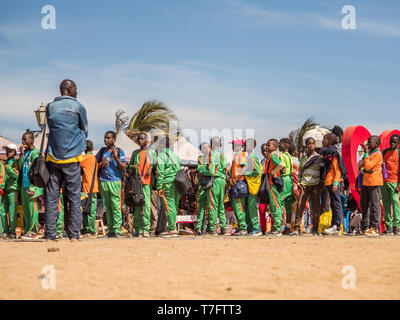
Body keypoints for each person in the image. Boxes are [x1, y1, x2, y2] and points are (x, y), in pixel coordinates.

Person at [44, 79, 88, 242]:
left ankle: (50, 234)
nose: (77, 92)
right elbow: (85, 129)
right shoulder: (78, 106)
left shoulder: (50, 107)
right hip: (72, 157)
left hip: (53, 157)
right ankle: (74, 234)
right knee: (74, 197)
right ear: (69, 89)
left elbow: (51, 127)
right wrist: (78, 144)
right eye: (76, 89)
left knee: (52, 197)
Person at [96, 131, 127, 238]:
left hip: (115, 181)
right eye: (105, 138)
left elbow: (123, 167)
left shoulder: (119, 151)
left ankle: (117, 230)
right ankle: (111, 230)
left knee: (115, 206)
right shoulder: (102, 151)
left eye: (108, 138)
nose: (106, 140)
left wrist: (115, 157)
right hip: (103, 182)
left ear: (114, 140)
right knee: (107, 207)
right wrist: (101, 164)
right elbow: (95, 165)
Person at [290, 137, 323, 236]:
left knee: (316, 208)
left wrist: (321, 184)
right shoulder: (303, 159)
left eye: (312, 144)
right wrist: (299, 183)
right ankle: (297, 229)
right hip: (304, 185)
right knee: (300, 206)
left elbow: (322, 172)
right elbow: (300, 172)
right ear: (306, 145)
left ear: (315, 145)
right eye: (308, 144)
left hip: (315, 185)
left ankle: (315, 229)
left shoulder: (318, 158)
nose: (310, 145)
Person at [128, 132, 157, 238]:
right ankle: (137, 229)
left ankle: (145, 229)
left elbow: (155, 164)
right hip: (136, 183)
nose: (139, 141)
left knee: (146, 206)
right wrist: (132, 167)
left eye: (141, 139)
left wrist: (150, 168)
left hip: (146, 183)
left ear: (146, 140)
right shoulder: (135, 153)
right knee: (137, 206)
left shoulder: (152, 153)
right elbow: (129, 165)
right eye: (138, 139)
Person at [19, 132, 43, 239]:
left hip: (32, 186)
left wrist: (34, 187)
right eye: (22, 139)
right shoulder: (26, 153)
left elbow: (37, 171)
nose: (23, 141)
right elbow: (20, 167)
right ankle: (28, 230)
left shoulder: (35, 153)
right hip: (24, 186)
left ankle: (34, 230)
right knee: (26, 210)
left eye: (25, 139)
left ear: (31, 140)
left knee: (32, 208)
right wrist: (21, 155)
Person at [156, 136, 181, 237]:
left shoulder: (162, 156)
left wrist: (158, 187)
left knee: (168, 205)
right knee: (174, 205)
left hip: (166, 183)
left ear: (162, 145)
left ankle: (171, 228)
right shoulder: (176, 157)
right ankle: (172, 226)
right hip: (177, 183)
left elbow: (160, 173)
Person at [359, 135, 384, 237]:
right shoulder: (369, 154)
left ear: (377, 144)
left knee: (375, 204)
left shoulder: (377, 154)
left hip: (374, 181)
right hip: (366, 182)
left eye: (370, 142)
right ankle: (365, 226)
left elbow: (368, 165)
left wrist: (366, 158)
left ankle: (375, 227)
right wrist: (365, 170)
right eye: (368, 142)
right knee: (364, 205)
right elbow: (361, 168)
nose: (368, 144)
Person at [203, 137, 228, 235]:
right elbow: (226, 169)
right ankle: (224, 228)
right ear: (220, 145)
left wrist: (202, 171)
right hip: (222, 180)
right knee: (221, 205)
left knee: (212, 204)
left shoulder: (213, 155)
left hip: (214, 180)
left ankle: (212, 229)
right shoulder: (223, 155)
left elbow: (211, 171)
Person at [321, 133, 344, 236]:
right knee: (333, 205)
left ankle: (337, 226)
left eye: (324, 139)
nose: (322, 141)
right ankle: (333, 225)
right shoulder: (327, 152)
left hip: (333, 182)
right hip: (329, 182)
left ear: (329, 141)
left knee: (336, 204)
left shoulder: (333, 152)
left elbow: (337, 170)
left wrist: (335, 183)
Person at [264, 139, 285, 236]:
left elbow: (281, 165)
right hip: (271, 183)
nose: (267, 147)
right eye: (267, 145)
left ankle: (276, 228)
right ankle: (275, 227)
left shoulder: (273, 156)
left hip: (272, 183)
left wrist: (273, 172)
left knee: (275, 205)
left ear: (275, 147)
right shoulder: (271, 156)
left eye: (269, 145)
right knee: (274, 205)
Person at [381, 134, 400, 235]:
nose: (392, 143)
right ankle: (388, 226)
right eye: (391, 141)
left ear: (398, 143)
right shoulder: (384, 152)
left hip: (395, 182)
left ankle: (396, 226)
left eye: (394, 142)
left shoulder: (398, 153)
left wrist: (398, 185)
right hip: (384, 183)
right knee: (386, 205)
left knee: (396, 204)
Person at [229, 138, 248, 236]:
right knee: (237, 207)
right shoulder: (237, 154)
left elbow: (244, 168)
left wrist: (236, 179)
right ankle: (241, 227)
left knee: (239, 206)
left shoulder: (241, 154)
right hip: (236, 183)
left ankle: (243, 228)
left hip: (239, 183)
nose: (232, 146)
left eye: (234, 144)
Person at [80, 140, 99, 238]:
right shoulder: (93, 158)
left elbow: (76, 163)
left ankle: (90, 230)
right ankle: (88, 230)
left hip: (88, 188)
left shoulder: (86, 158)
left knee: (88, 211)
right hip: (92, 188)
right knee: (89, 210)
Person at [0, 144, 19, 238]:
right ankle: (5, 231)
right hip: (5, 190)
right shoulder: (5, 162)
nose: (8, 152)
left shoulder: (15, 162)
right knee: (2, 211)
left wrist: (7, 167)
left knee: (12, 212)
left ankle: (12, 231)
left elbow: (15, 175)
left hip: (13, 190)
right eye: (7, 150)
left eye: (10, 151)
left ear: (15, 152)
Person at [244, 138, 262, 236]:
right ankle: (251, 228)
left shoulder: (253, 157)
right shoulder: (249, 156)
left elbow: (257, 171)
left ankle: (256, 228)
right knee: (248, 207)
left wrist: (245, 173)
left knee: (252, 207)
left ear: (252, 146)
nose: (245, 147)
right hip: (249, 185)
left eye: (247, 145)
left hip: (253, 186)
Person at [279, 138, 295, 235]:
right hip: (290, 180)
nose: (279, 146)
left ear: (285, 145)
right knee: (289, 205)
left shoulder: (282, 156)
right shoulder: (289, 156)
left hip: (284, 179)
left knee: (279, 202)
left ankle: (278, 226)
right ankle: (288, 227)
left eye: (280, 144)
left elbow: (283, 170)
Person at [195, 142, 211, 235]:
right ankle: (199, 228)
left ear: (209, 148)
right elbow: (199, 170)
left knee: (211, 207)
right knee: (200, 208)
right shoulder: (200, 158)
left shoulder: (212, 158)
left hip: (211, 186)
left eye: (206, 148)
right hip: (202, 186)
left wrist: (205, 172)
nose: (205, 150)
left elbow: (205, 171)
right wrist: (207, 172)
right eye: (203, 148)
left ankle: (210, 228)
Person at [258, 143, 268, 234]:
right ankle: (263, 229)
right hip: (262, 187)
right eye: (263, 151)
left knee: (274, 209)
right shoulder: (262, 161)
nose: (265, 152)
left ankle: (275, 228)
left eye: (266, 150)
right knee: (262, 209)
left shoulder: (273, 159)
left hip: (270, 186)